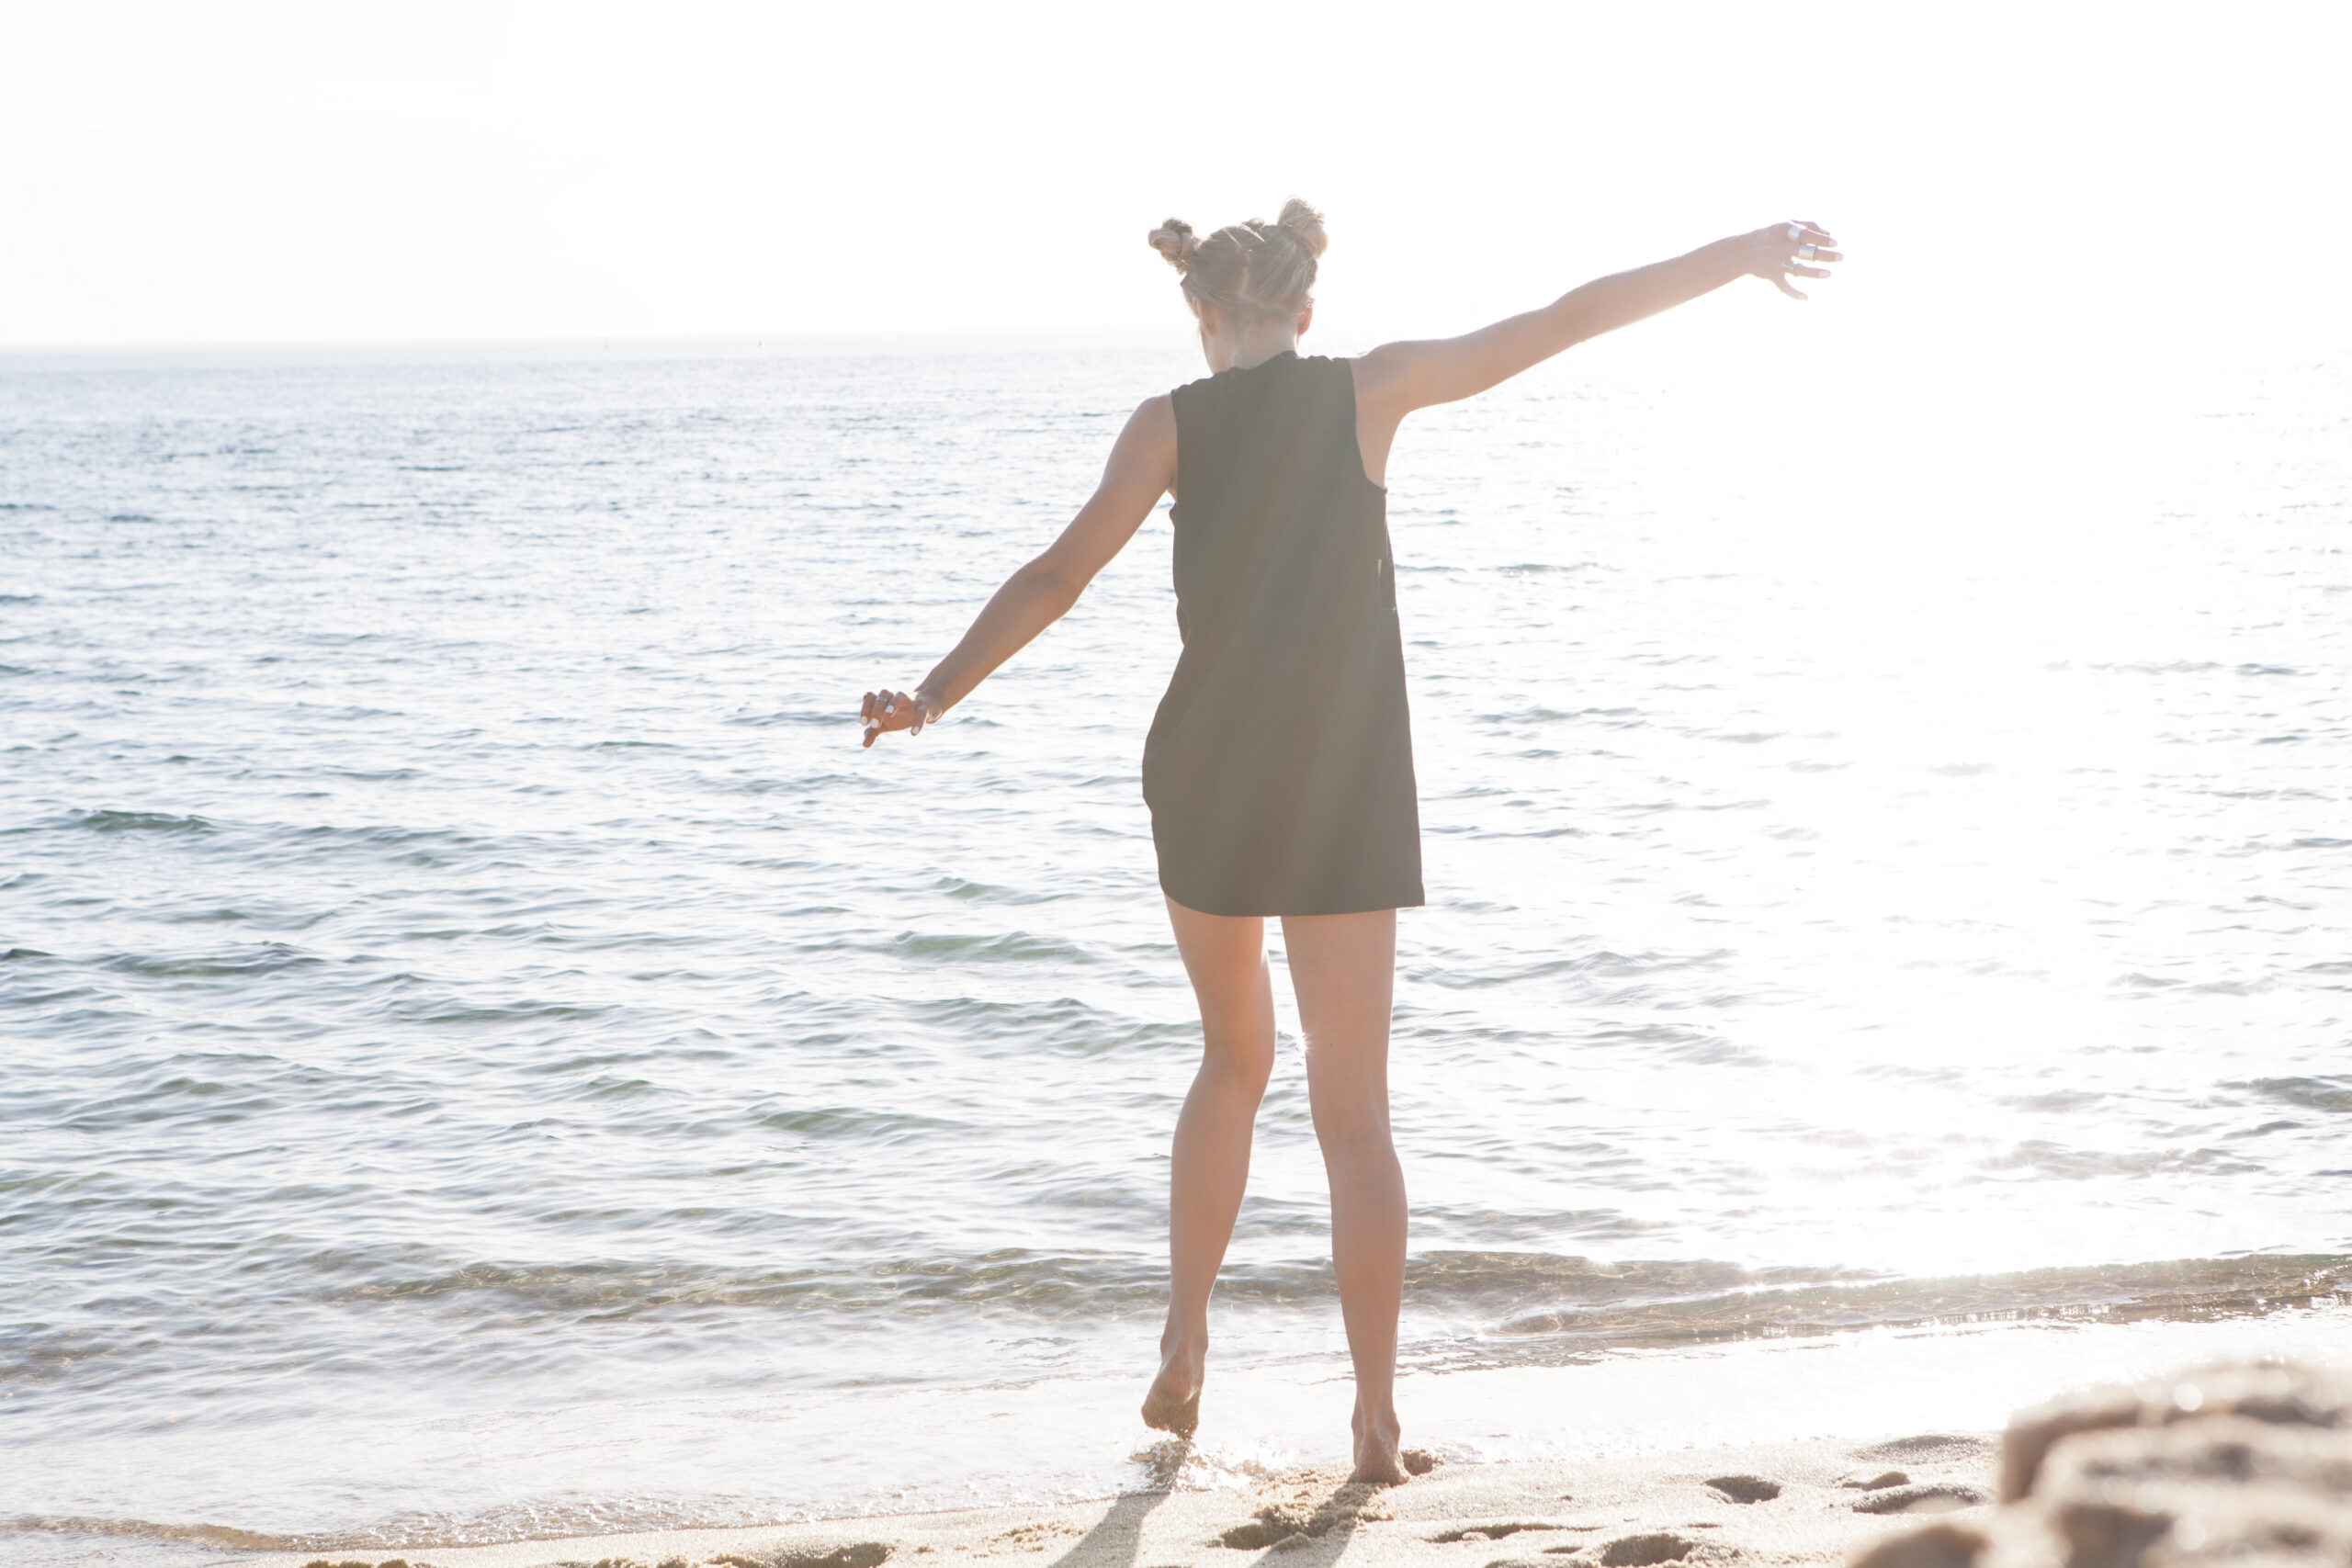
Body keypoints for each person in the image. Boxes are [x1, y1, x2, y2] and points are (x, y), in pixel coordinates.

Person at [858, 201, 1840, 1483]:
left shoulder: (1169, 423)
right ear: (1307, 312)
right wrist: (1741, 255)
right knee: (1354, 1114)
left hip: (1207, 776)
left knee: (1229, 1059)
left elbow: (1057, 577)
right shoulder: (1370, 394)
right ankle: (1375, 1422)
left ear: (1200, 315)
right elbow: (1563, 320)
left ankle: (1187, 1334)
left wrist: (933, 695)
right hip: (1341, 782)